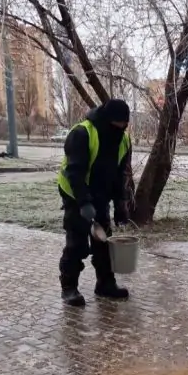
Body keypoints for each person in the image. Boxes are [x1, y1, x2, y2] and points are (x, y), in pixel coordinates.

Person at [57, 99, 132, 307]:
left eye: (123, 126)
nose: (120, 130)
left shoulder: (123, 140)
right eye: (116, 126)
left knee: (103, 241)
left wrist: (120, 204)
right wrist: (83, 203)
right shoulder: (82, 134)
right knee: (77, 242)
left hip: (101, 194)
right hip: (75, 193)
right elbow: (74, 173)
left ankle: (105, 284)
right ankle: (69, 288)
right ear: (107, 120)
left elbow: (120, 175)